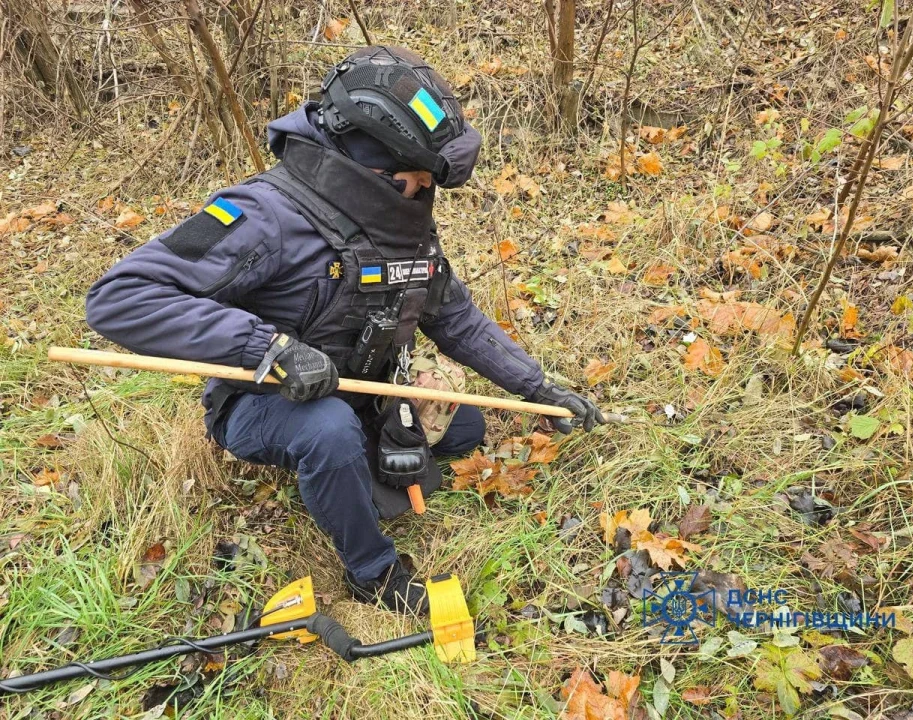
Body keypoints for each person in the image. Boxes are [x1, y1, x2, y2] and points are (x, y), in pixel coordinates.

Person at [86, 46, 605, 615]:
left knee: (464, 429)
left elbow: (454, 317)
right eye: (416, 179)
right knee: (328, 432)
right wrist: (271, 349)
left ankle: (354, 463)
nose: (424, 193)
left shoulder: (405, 224)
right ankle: (372, 572)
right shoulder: (262, 215)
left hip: (362, 385)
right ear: (372, 165)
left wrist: (539, 389)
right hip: (264, 397)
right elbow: (120, 296)